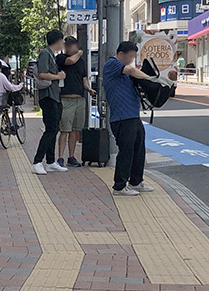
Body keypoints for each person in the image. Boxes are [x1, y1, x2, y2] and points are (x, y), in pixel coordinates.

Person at [101, 41, 155, 196]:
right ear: (120, 54)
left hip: (132, 116)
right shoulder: (112, 64)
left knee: (138, 149)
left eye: (134, 57)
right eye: (130, 56)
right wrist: (152, 80)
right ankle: (119, 186)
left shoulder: (124, 71)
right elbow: (131, 70)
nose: (131, 60)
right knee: (126, 151)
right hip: (121, 118)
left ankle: (136, 181)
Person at [31, 30, 68, 175]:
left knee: (54, 129)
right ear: (58, 41)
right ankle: (37, 161)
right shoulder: (45, 54)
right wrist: (58, 76)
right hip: (48, 96)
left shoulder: (51, 54)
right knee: (51, 129)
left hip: (54, 96)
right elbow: (42, 73)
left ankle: (51, 161)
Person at [56, 36, 95, 167]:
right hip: (66, 99)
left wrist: (89, 88)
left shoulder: (82, 62)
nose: (69, 47)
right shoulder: (61, 58)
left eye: (72, 45)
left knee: (75, 130)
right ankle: (60, 157)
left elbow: (84, 78)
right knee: (65, 129)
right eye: (67, 45)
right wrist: (79, 52)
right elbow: (71, 61)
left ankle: (71, 156)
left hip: (79, 99)